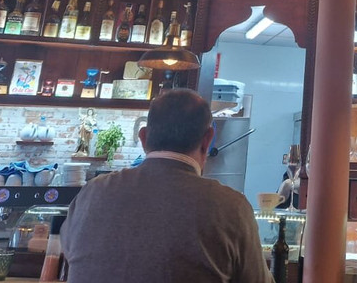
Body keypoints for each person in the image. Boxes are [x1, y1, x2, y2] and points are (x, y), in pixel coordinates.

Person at [61, 89, 271, 283]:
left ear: (143, 138)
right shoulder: (231, 206)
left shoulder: (92, 192)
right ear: (208, 140)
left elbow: (70, 255)